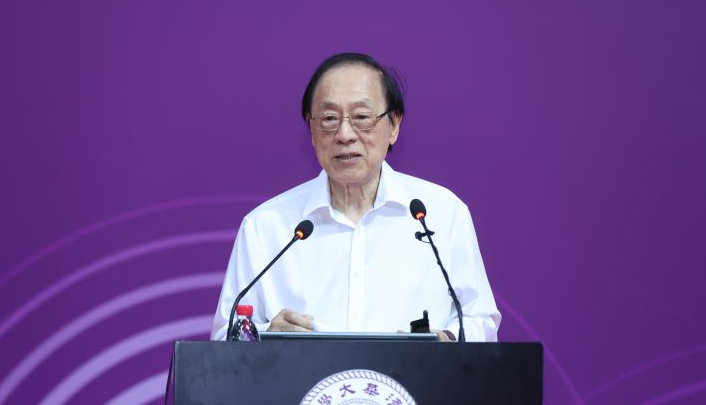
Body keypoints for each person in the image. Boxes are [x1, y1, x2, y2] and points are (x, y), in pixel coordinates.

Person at [211, 53, 500, 342]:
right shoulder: (266, 226)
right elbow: (224, 338)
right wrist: (266, 337)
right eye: (329, 119)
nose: (345, 134)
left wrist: (447, 339)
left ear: (394, 126)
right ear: (312, 131)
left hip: (416, 374)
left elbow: (480, 319)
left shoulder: (442, 213)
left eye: (362, 117)